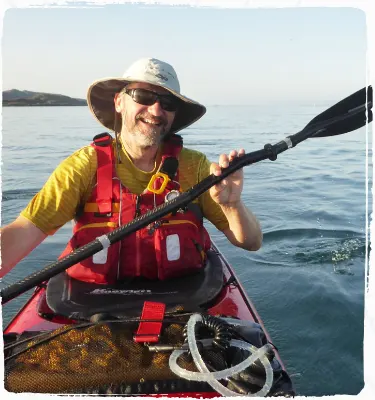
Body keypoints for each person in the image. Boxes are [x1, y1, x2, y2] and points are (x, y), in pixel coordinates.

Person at [0, 58, 262, 282]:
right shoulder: (83, 166)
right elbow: (23, 232)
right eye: (144, 97)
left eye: (168, 102)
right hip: (93, 308)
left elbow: (251, 242)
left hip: (182, 303)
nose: (156, 110)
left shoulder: (196, 166)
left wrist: (232, 206)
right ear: (119, 102)